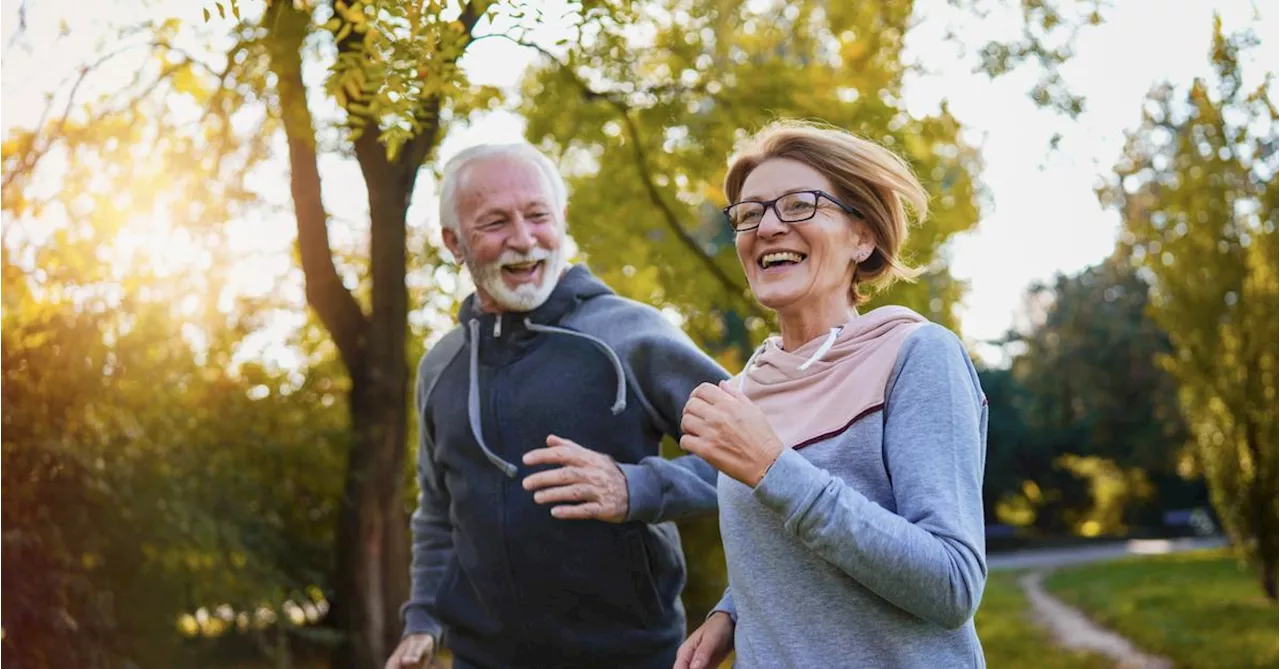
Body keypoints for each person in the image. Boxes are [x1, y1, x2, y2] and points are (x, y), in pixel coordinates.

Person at [385, 142, 729, 669]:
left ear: (562, 220)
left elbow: (760, 457)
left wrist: (637, 487)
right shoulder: (440, 367)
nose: (523, 240)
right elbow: (437, 511)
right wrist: (423, 620)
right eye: (495, 222)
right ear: (454, 242)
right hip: (480, 660)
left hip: (631, 657)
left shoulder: (630, 335)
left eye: (538, 216)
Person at [674, 120, 989, 669]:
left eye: (798, 205)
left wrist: (773, 468)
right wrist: (734, 609)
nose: (767, 227)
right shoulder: (748, 387)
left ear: (862, 237)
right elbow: (791, 545)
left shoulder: (916, 356)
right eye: (750, 214)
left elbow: (951, 584)